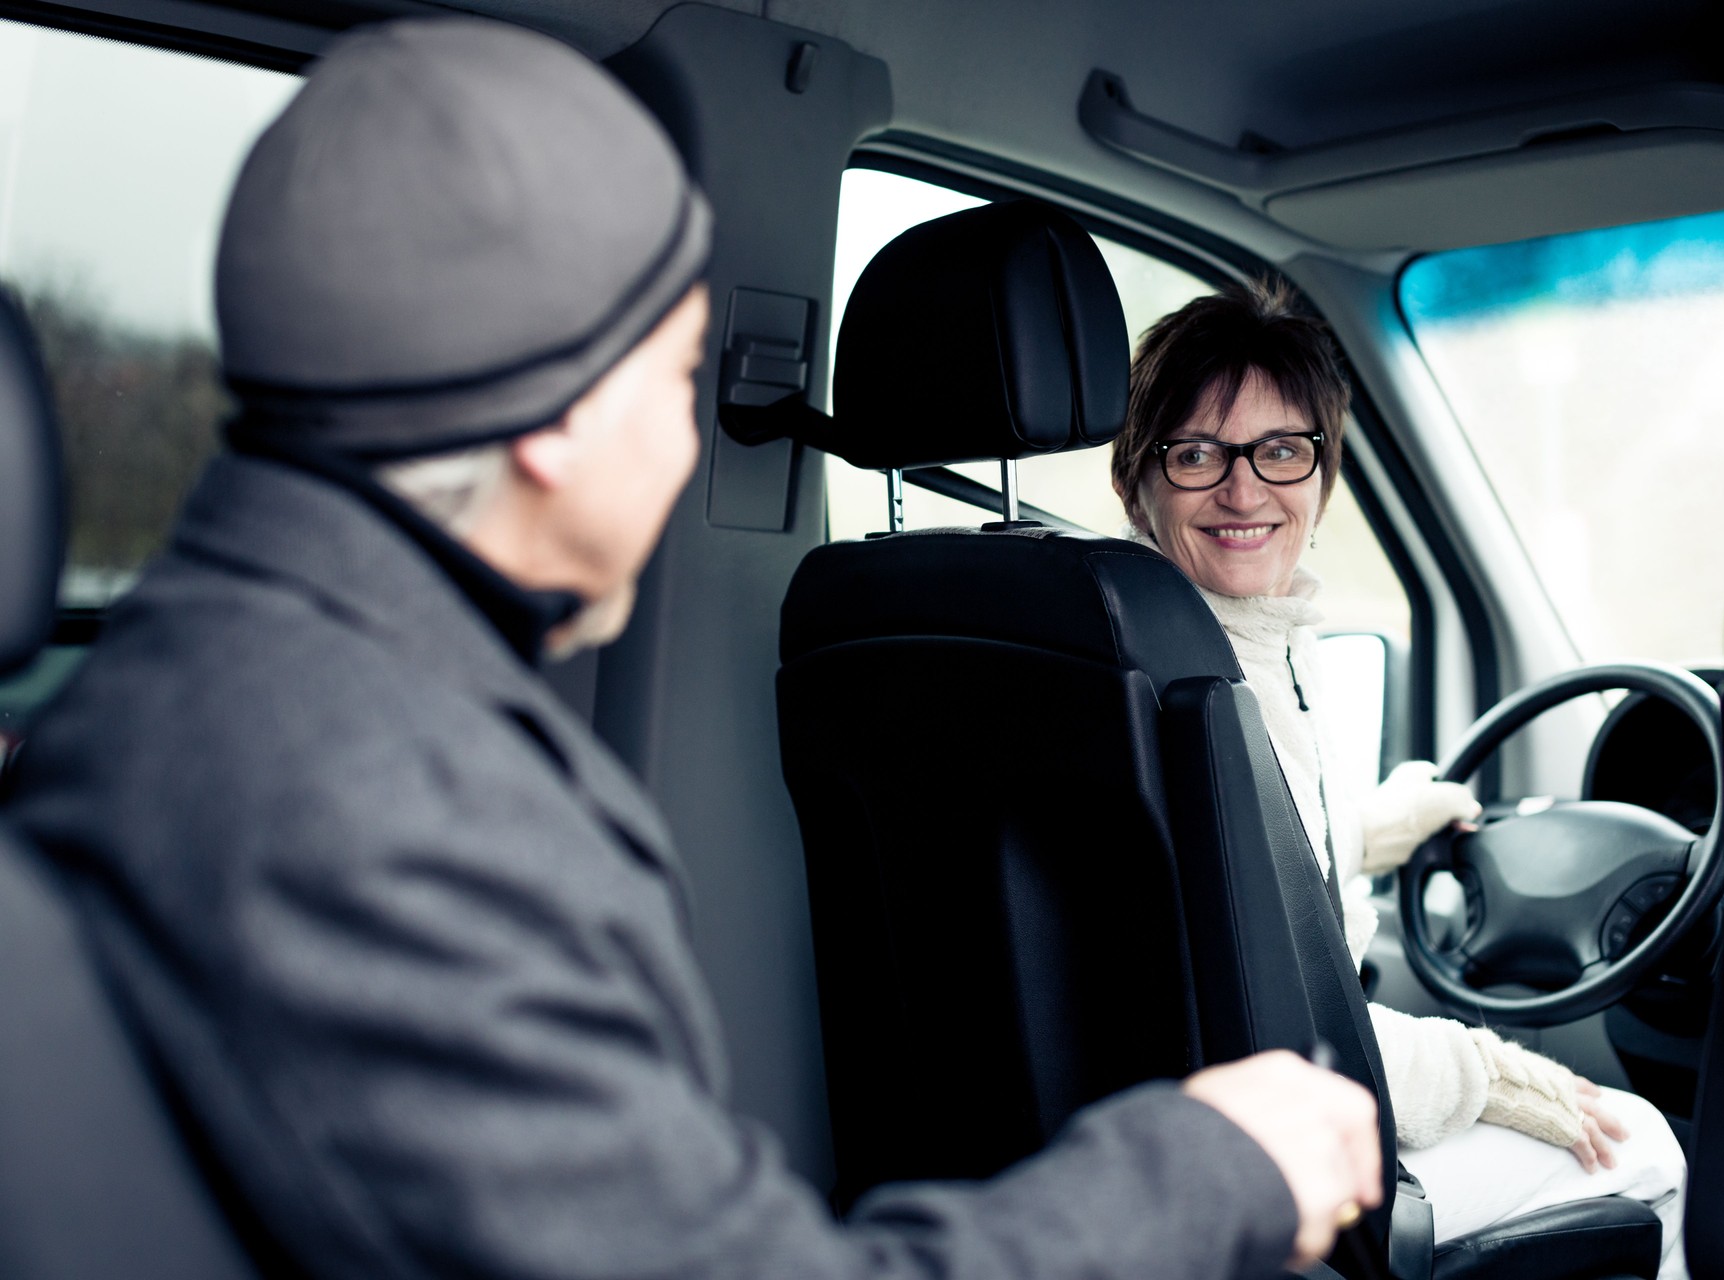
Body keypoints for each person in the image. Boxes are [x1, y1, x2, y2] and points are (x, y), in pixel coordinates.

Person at [8, 19, 1384, 1280]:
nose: (685, 446)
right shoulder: (380, 808)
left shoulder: (171, 687)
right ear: (556, 422)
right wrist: (1216, 1166)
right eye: (676, 381)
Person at [1110, 279, 1690, 1279]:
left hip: (1164, 1113)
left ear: (1324, 473)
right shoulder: (1201, 684)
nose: (1244, 491)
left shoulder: (1123, 643)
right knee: (1647, 1146)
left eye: (1281, 449)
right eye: (1198, 452)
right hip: (1278, 1136)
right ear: (1139, 477)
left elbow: (1236, 860)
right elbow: (1288, 1019)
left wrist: (1385, 824)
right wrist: (1491, 1071)